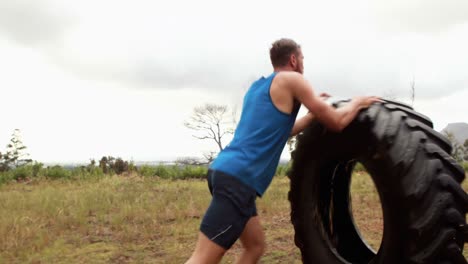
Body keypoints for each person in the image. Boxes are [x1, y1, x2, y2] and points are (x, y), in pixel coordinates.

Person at [186, 38, 381, 264]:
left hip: (226, 171)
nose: (303, 64)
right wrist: (357, 103)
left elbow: (282, 131)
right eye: (303, 59)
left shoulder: (258, 87)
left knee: (255, 246)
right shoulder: (293, 80)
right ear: (293, 59)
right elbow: (336, 122)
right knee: (203, 258)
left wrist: (310, 115)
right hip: (238, 180)